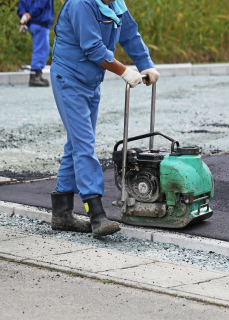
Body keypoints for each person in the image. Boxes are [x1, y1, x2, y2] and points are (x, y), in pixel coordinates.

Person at [49, 0, 160, 238]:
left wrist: (146, 65)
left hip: (90, 82)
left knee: (76, 144)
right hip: (68, 79)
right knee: (84, 144)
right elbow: (93, 48)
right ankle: (96, 214)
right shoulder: (81, 4)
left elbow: (130, 33)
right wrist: (124, 71)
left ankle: (62, 214)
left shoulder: (115, 3)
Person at [18, 0, 54, 87]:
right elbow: (41, 3)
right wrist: (31, 13)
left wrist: (24, 14)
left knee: (39, 47)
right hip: (40, 20)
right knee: (42, 49)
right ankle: (35, 75)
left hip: (30, 22)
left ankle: (38, 74)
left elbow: (22, 3)